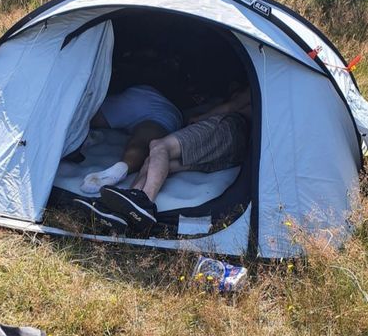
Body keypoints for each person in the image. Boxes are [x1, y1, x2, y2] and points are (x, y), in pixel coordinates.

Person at [75, 86, 251, 234]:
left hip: (230, 126)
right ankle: (126, 211)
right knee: (155, 160)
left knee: (159, 146)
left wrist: (200, 118)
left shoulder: (244, 93)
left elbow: (231, 106)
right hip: (235, 149)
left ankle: (144, 201)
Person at [78, 84, 183, 194]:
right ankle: (125, 166)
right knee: (142, 143)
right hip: (169, 113)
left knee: (86, 117)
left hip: (140, 96)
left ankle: (82, 135)